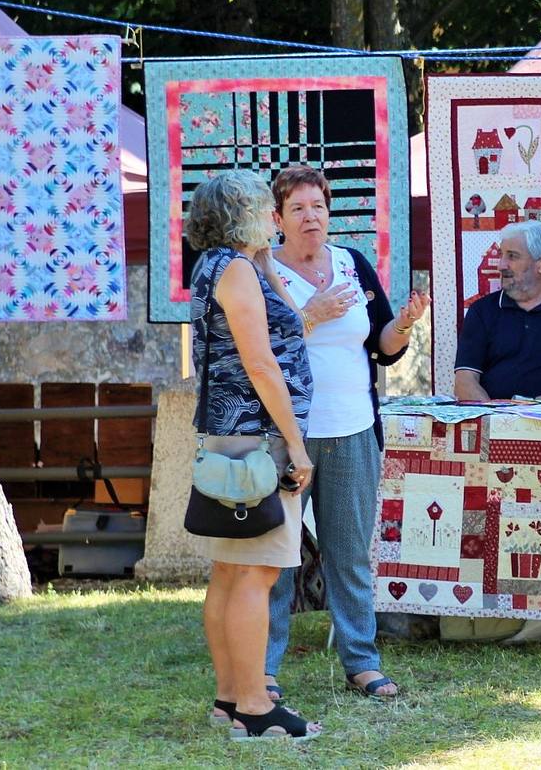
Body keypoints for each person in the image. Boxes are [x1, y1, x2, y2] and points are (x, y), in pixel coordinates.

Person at [262, 166, 430, 700]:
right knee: (276, 555)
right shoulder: (261, 270)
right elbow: (253, 349)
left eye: (318, 206)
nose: (311, 217)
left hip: (353, 428)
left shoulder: (353, 264)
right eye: (299, 209)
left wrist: (403, 323)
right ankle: (262, 668)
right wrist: (306, 317)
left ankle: (361, 661)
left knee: (350, 552)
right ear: (277, 219)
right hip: (284, 434)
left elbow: (381, 345)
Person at [186, 170, 320, 739]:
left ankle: (228, 697)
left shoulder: (226, 266)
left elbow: (290, 316)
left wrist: (265, 261)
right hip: (256, 439)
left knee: (230, 570)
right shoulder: (236, 271)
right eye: (266, 209)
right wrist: (295, 442)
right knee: (256, 574)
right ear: (243, 214)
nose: (274, 217)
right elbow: (262, 364)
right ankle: (254, 708)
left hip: (229, 437)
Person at [454, 220, 541, 401]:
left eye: (512, 256)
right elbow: (464, 382)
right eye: (502, 255)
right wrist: (497, 419)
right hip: (498, 422)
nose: (501, 265)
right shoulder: (482, 311)